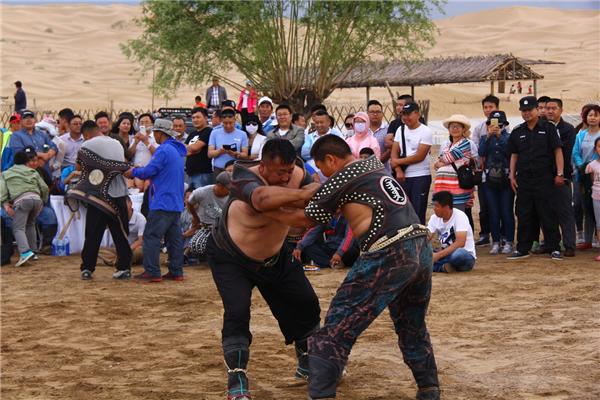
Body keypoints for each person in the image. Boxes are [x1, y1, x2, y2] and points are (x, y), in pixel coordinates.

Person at [263, 135, 440, 400]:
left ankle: (321, 395)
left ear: (331, 160)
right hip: (421, 248)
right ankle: (429, 389)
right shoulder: (375, 166)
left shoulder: (341, 179)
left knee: (336, 326)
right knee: (411, 324)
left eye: (322, 168)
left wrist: (265, 209)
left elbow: (306, 218)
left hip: (389, 252)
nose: (321, 174)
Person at [204, 138, 321, 399]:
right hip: (231, 257)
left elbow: (315, 188)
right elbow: (263, 198)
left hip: (275, 255)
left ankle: (306, 363)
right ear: (264, 167)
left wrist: (310, 188)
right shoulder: (244, 179)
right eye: (280, 173)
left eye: (290, 171)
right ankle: (237, 378)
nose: (286, 177)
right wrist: (304, 195)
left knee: (306, 303)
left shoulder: (297, 172)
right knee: (237, 311)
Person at [125, 119, 187, 282]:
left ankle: (152, 271)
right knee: (174, 239)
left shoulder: (163, 149)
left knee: (151, 236)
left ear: (159, 133)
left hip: (162, 200)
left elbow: (150, 171)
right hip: (175, 201)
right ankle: (176, 270)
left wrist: (134, 172)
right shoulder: (176, 150)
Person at [506, 96, 564, 260]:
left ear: (537, 110)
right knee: (523, 214)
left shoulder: (548, 128)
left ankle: (554, 247)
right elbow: (514, 155)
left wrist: (560, 174)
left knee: (548, 213)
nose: (526, 113)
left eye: (530, 110)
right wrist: (512, 176)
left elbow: (557, 151)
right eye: (523, 111)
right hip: (523, 179)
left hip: (544, 178)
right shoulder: (518, 131)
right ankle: (522, 248)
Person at [73, 121, 132, 280]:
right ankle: (124, 268)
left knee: (93, 232)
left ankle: (87, 268)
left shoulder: (87, 144)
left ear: (87, 135)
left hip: (98, 195)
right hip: (119, 192)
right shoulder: (117, 143)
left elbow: (78, 167)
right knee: (120, 232)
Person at [534, 98, 576, 257]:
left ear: (561, 111)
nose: (549, 111)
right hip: (543, 176)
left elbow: (563, 151)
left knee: (565, 211)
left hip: (562, 175)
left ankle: (570, 244)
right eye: (547, 108)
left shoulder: (567, 129)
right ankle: (550, 243)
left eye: (553, 108)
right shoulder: (540, 127)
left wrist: (558, 171)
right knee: (546, 212)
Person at [0, 151, 48, 266]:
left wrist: (5, 204)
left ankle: (25, 252)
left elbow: (2, 191)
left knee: (18, 228)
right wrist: (42, 202)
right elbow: (44, 187)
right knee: (30, 224)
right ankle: (34, 252)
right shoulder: (33, 171)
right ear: (27, 162)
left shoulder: (6, 173)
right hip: (36, 198)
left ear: (14, 162)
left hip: (21, 200)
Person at [478, 111, 515, 255]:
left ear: (505, 125)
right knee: (493, 212)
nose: (495, 127)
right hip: (490, 177)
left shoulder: (510, 137)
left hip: (505, 176)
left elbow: (510, 152)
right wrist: (488, 137)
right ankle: (495, 242)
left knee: (506, 211)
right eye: (492, 124)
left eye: (500, 124)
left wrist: (500, 137)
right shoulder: (485, 137)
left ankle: (509, 241)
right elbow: (481, 152)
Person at [390, 102, 433, 225]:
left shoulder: (425, 131)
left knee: (418, 210)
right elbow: (395, 151)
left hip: (420, 175)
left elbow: (420, 156)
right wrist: (398, 170)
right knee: (403, 211)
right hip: (403, 176)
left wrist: (396, 162)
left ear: (418, 114)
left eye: (409, 114)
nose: (405, 117)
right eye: (403, 114)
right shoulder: (400, 129)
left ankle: (419, 240)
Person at [469, 95, 502, 247]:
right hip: (483, 172)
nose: (488, 110)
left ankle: (502, 235)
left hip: (502, 173)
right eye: (486, 107)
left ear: (498, 108)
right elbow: (476, 151)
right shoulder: (479, 128)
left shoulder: (505, 126)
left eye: (491, 107)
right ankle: (484, 235)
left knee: (502, 206)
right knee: (484, 206)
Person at [432, 115, 474, 212]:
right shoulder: (447, 145)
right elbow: (436, 164)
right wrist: (445, 161)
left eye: (458, 126)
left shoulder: (465, 143)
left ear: (463, 129)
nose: (455, 129)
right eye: (452, 126)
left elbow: (446, 158)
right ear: (448, 129)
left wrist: (444, 160)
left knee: (458, 216)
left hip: (457, 187)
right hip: (444, 186)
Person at [186, 171, 231, 261]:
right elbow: (189, 202)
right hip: (206, 227)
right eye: (228, 188)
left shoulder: (231, 196)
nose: (230, 191)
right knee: (196, 245)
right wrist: (195, 216)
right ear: (219, 186)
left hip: (224, 228)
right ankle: (207, 258)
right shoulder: (202, 192)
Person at [572, 104, 600, 251]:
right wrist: (580, 166)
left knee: (596, 207)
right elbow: (575, 152)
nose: (593, 118)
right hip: (582, 176)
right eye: (590, 115)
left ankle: (597, 236)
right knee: (584, 205)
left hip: (597, 177)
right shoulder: (581, 135)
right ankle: (587, 238)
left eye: (596, 115)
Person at [428, 191, 476, 273]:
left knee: (458, 254)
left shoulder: (460, 216)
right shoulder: (434, 218)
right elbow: (427, 237)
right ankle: (443, 268)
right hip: (445, 253)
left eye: (437, 206)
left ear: (446, 207)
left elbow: (461, 243)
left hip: (464, 256)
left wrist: (438, 255)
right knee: (423, 255)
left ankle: (433, 265)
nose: (434, 208)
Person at [294, 213, 359, 270]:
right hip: (331, 247)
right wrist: (299, 247)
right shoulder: (326, 217)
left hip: (347, 250)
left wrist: (339, 253)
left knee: (350, 251)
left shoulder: (350, 217)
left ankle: (324, 261)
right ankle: (331, 263)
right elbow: (312, 233)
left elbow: (349, 237)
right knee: (307, 247)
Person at [98, 196, 146, 266]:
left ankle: (120, 260)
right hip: (120, 249)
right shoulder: (117, 216)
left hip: (133, 249)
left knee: (140, 250)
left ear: (131, 204)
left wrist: (127, 250)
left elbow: (141, 241)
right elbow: (103, 227)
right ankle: (118, 261)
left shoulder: (140, 219)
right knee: (97, 248)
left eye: (124, 204)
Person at [9, 110, 58, 175]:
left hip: (44, 171)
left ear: (35, 121)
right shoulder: (15, 136)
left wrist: (44, 159)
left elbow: (54, 147)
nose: (29, 120)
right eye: (26, 118)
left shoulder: (42, 134)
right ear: (20, 121)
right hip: (25, 173)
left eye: (31, 118)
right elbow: (20, 152)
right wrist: (42, 155)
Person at [207, 108, 248, 181]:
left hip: (235, 170)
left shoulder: (242, 134)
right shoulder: (215, 133)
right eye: (225, 123)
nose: (228, 126)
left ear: (235, 120)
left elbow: (245, 154)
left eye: (231, 123)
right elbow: (210, 154)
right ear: (221, 121)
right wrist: (219, 151)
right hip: (219, 170)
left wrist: (236, 154)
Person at [185, 107, 213, 189]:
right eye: (193, 118)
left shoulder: (208, 132)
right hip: (190, 174)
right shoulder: (192, 134)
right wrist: (194, 150)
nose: (195, 120)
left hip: (202, 175)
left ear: (205, 118)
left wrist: (191, 148)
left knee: (201, 201)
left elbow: (195, 148)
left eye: (198, 117)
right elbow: (183, 151)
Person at [129, 113, 158, 191]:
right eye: (141, 123)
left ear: (152, 124)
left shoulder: (155, 138)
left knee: (147, 192)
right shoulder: (136, 137)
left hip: (150, 172)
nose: (144, 125)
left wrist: (146, 142)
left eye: (147, 122)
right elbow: (129, 154)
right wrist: (135, 142)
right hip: (137, 171)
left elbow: (158, 154)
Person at [584, 137, 600, 261]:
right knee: (599, 225)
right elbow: (593, 180)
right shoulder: (592, 165)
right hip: (597, 197)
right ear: (595, 149)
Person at [367, 100, 390, 169]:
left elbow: (390, 151)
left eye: (378, 112)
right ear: (367, 114)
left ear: (382, 113)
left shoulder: (388, 131)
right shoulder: (362, 132)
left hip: (384, 169)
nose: (375, 114)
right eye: (372, 112)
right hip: (364, 171)